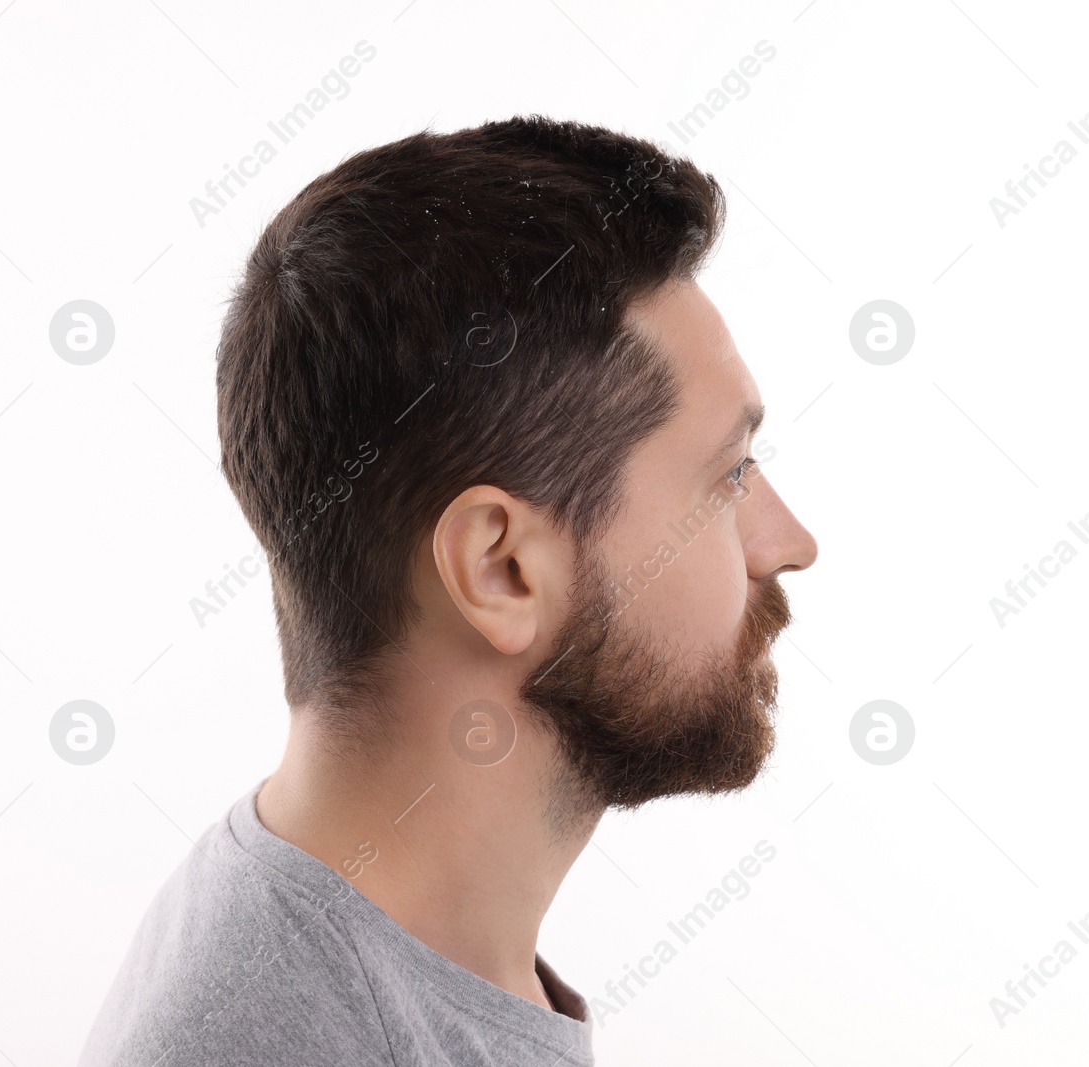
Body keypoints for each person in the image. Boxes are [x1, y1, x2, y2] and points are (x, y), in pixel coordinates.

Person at [78, 114, 818, 1067]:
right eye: (727, 477)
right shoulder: (284, 1035)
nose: (788, 544)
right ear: (500, 570)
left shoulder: (367, 964)